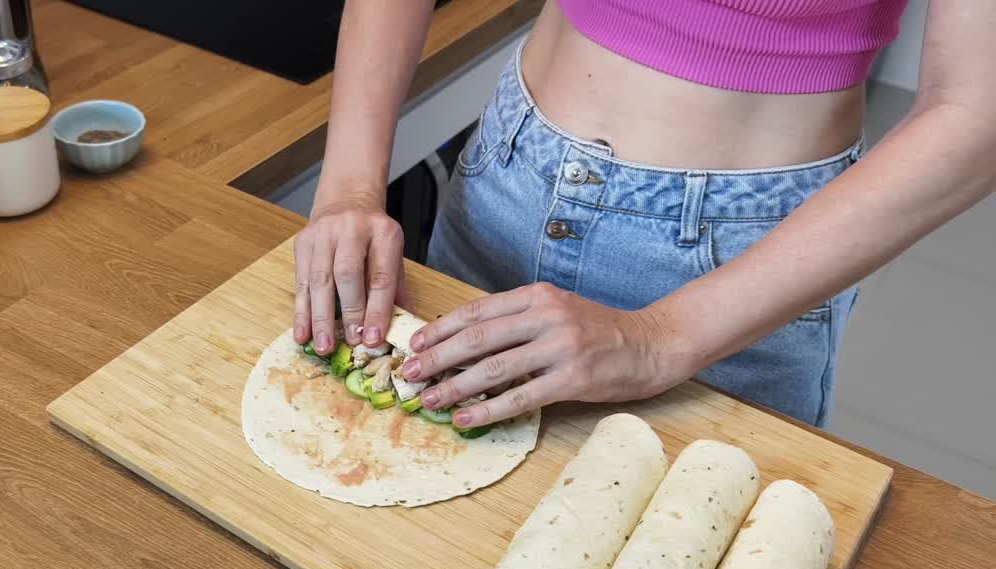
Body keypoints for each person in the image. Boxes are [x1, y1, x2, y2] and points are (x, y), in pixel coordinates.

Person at [292, 0, 996, 428]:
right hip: (507, 177)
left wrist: (661, 338)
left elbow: (978, 113)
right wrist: (351, 185)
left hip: (733, 267)